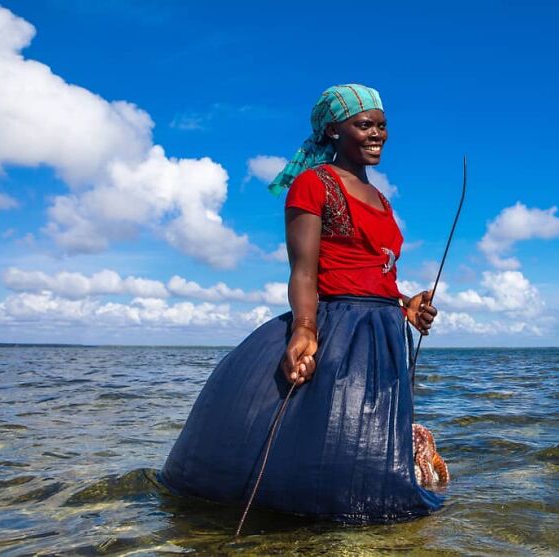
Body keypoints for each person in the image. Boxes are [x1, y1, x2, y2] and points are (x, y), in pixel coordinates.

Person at [161, 84, 443, 523]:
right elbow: (304, 271)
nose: (377, 134)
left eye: (382, 125)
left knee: (368, 446)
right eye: (364, 124)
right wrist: (305, 330)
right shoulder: (314, 185)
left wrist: (407, 304)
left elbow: (377, 273)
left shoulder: (383, 201)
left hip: (384, 333)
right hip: (341, 328)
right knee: (334, 440)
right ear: (333, 130)